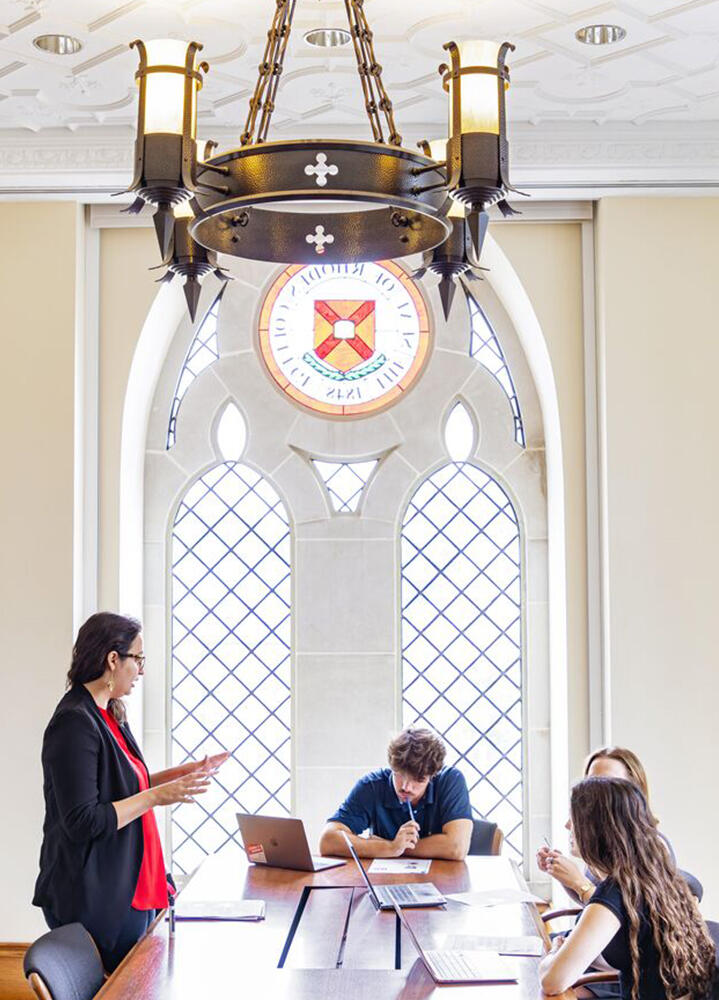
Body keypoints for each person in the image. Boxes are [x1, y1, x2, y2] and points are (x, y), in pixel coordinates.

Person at [32, 612, 229, 972]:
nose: (142, 670)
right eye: (138, 659)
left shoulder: (109, 714)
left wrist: (182, 774)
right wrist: (157, 797)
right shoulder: (74, 722)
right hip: (97, 895)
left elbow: (126, 786)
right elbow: (84, 820)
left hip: (134, 883)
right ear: (112, 659)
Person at [539, 777, 715, 1000]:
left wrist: (553, 952)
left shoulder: (616, 892)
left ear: (597, 828)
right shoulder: (656, 875)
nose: (567, 825)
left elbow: (552, 981)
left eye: (574, 818)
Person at [537, 746, 673, 904]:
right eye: (592, 781)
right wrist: (562, 874)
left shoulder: (647, 846)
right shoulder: (600, 840)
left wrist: (579, 883)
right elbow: (592, 906)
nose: (598, 790)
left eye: (609, 782)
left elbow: (623, 915)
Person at [319, 727, 473, 860]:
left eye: (418, 780)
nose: (406, 787)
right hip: (387, 881)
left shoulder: (451, 780)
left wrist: (399, 848)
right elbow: (328, 841)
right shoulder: (372, 786)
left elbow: (456, 847)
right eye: (399, 774)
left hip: (443, 882)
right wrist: (389, 848)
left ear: (433, 775)